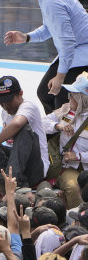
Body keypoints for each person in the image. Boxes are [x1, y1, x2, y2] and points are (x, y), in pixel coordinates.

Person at [3, 0, 88, 114]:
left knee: (60, 97)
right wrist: (27, 37)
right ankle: (55, 134)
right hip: (76, 51)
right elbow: (50, 27)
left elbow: (67, 42)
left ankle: (64, 136)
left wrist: (60, 77)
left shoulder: (52, 0)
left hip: (82, 54)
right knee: (45, 93)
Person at [0, 76, 47, 187]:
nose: (5, 105)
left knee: (24, 130)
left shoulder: (29, 106)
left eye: (8, 101)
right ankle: (4, 176)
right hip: (14, 159)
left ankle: (11, 182)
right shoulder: (5, 112)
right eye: (2, 103)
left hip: (35, 166)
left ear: (20, 94)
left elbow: (17, 124)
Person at [43, 73, 88, 208]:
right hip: (69, 169)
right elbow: (42, 122)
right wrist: (59, 126)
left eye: (73, 95)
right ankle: (78, 221)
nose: (69, 98)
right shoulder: (66, 110)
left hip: (85, 166)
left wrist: (79, 156)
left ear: (83, 98)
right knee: (72, 187)